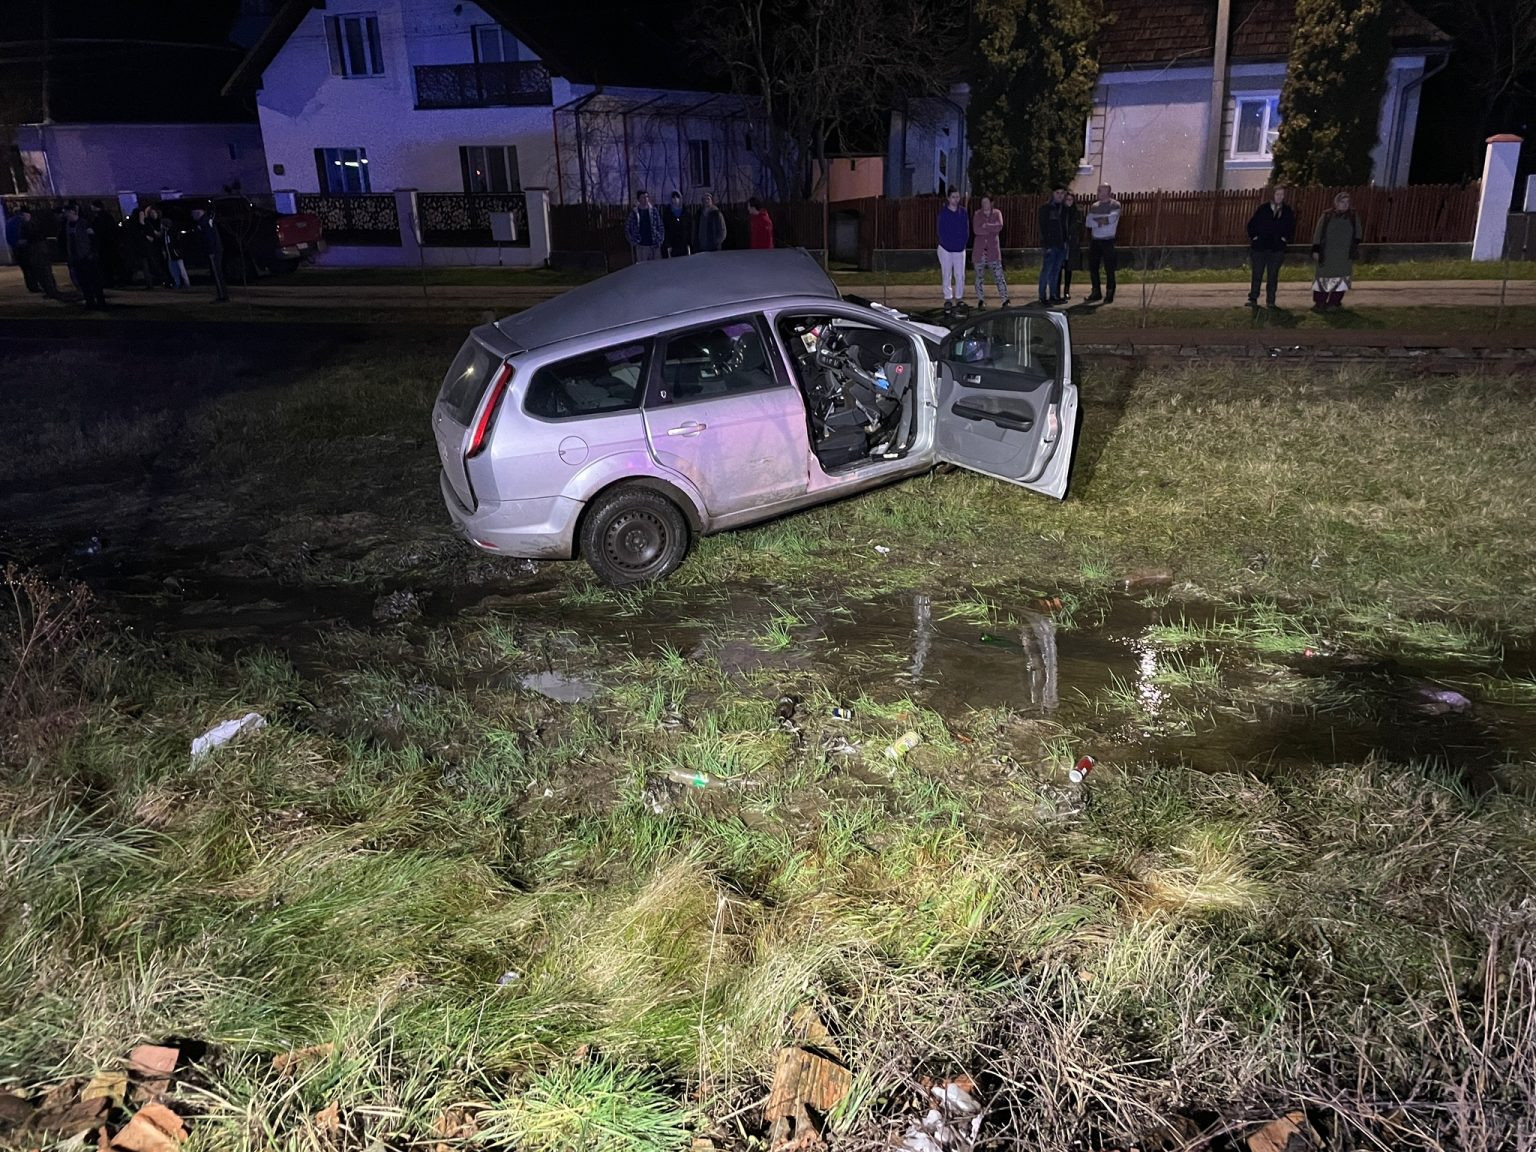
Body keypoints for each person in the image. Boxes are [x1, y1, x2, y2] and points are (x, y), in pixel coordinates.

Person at [1310, 191, 1363, 311]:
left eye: (1347, 202)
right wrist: (1316, 249)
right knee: (1323, 278)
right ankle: (1320, 303)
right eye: (1342, 202)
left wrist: (1353, 247)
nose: (1345, 205)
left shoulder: (1353, 216)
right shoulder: (1327, 215)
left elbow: (1358, 233)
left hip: (1344, 256)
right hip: (1327, 254)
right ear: (1336, 203)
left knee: (1341, 279)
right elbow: (1318, 233)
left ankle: (1334, 303)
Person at [1246, 186, 1295, 308]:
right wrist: (1255, 237)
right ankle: (1253, 298)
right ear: (1272, 195)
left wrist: (1284, 239)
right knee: (1257, 274)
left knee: (1273, 275)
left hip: (1276, 248)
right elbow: (1251, 224)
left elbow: (1291, 227)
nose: (1280, 197)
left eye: (1282, 194)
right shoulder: (1263, 209)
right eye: (1277, 194)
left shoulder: (1287, 211)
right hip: (1260, 247)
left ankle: (1271, 300)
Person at [61, 203, 107, 309]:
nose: (66, 214)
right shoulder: (68, 225)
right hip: (76, 258)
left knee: (94, 281)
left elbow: (93, 239)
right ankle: (89, 301)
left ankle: (101, 302)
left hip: (87, 257)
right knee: (83, 282)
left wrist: (92, 253)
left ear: (73, 212)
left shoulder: (84, 223)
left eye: (67, 212)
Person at [971, 194, 1009, 309]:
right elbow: (976, 230)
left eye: (986, 202)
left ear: (991, 203)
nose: (984, 205)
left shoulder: (997, 213)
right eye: (983, 203)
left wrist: (986, 225)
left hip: (993, 250)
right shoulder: (977, 214)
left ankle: (1005, 299)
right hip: (980, 251)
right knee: (979, 276)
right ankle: (981, 300)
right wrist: (990, 229)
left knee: (999, 276)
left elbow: (999, 226)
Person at [1085, 183, 1120, 304]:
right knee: (1093, 267)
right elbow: (1088, 222)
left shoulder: (1115, 205)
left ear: (1108, 192)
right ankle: (1096, 292)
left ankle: (1110, 292)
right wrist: (1101, 222)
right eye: (1099, 190)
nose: (1100, 193)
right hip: (1095, 240)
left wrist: (1098, 221)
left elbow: (1111, 219)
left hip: (1108, 240)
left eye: (1102, 191)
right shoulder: (1094, 206)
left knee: (1109, 268)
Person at [937, 188, 969, 314]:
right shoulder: (943, 213)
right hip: (946, 248)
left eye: (957, 197)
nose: (956, 199)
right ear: (949, 198)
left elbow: (966, 229)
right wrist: (946, 243)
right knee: (947, 273)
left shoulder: (963, 212)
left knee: (960, 274)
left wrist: (962, 243)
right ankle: (948, 298)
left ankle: (959, 297)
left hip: (959, 248)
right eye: (954, 197)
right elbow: (940, 230)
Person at [17, 209, 61, 298]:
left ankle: (51, 291)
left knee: (45, 272)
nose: (21, 218)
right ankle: (50, 291)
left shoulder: (31, 225)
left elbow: (35, 236)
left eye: (22, 215)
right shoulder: (30, 224)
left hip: (38, 251)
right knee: (43, 272)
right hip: (37, 251)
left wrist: (26, 241)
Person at [1037, 187, 1069, 306]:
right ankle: (1042, 296)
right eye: (1057, 193)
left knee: (1056, 271)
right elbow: (1043, 228)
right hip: (1050, 245)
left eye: (1062, 193)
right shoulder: (1045, 209)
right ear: (1052, 194)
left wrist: (1065, 241)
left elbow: (1065, 227)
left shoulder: (1064, 209)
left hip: (1061, 245)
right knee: (1047, 270)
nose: (1060, 196)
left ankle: (1054, 295)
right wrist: (1046, 244)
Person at [190, 205, 230, 302]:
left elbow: (209, 238)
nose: (192, 216)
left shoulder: (204, 222)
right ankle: (222, 295)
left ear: (198, 212)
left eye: (193, 214)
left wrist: (211, 251)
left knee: (217, 273)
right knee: (218, 273)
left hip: (213, 251)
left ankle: (222, 296)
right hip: (215, 250)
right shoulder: (207, 221)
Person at [88, 201, 123, 287]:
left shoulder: (101, 217)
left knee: (106, 265)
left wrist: (94, 231)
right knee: (109, 264)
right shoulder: (106, 216)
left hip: (105, 245)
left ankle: (109, 281)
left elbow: (102, 229)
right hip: (109, 244)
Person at [6, 207, 41, 293]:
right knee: (32, 268)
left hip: (17, 249)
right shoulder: (23, 222)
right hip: (27, 248)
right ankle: (35, 286)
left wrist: (14, 245)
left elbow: (9, 237)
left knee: (25, 269)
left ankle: (31, 286)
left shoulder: (9, 222)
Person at [624, 191, 663, 262]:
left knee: (657, 266)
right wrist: (633, 241)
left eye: (647, 197)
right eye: (643, 197)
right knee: (643, 267)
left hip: (654, 244)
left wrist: (660, 239)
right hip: (642, 245)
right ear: (638, 199)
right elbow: (627, 228)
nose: (645, 199)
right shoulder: (634, 213)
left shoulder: (654, 211)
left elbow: (660, 225)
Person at [1058, 191, 1082, 303]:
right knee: (1058, 268)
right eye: (1067, 200)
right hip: (1061, 242)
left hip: (1071, 243)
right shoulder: (1060, 211)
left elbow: (1079, 226)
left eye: (1071, 200)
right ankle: (1056, 291)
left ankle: (1066, 290)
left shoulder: (1076, 212)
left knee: (1068, 268)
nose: (1069, 202)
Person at [163, 215, 191, 289]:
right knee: (174, 271)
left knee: (181, 270)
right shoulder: (166, 233)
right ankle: (178, 283)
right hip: (171, 255)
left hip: (175, 254)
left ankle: (186, 283)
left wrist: (176, 251)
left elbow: (176, 243)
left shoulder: (172, 232)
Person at [661, 191, 692, 258]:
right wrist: (667, 243)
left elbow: (690, 227)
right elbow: (665, 228)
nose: (675, 200)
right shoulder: (667, 212)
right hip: (672, 242)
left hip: (684, 242)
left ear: (680, 198)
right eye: (673, 198)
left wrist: (689, 241)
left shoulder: (686, 212)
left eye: (677, 197)